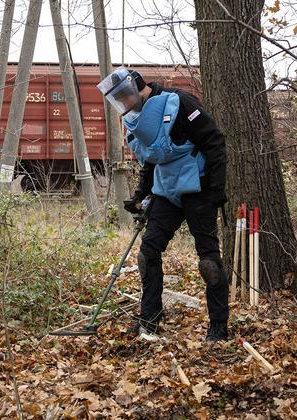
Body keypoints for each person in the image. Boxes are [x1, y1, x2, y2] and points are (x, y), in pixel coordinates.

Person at [97, 67, 229, 341]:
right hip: (166, 190)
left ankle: (218, 328)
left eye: (125, 96)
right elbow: (151, 160)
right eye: (118, 99)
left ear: (136, 87)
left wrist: (215, 189)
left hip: (198, 187)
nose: (124, 103)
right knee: (147, 253)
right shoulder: (137, 119)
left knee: (209, 262)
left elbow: (215, 142)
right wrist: (140, 195)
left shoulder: (178, 102)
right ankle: (150, 320)